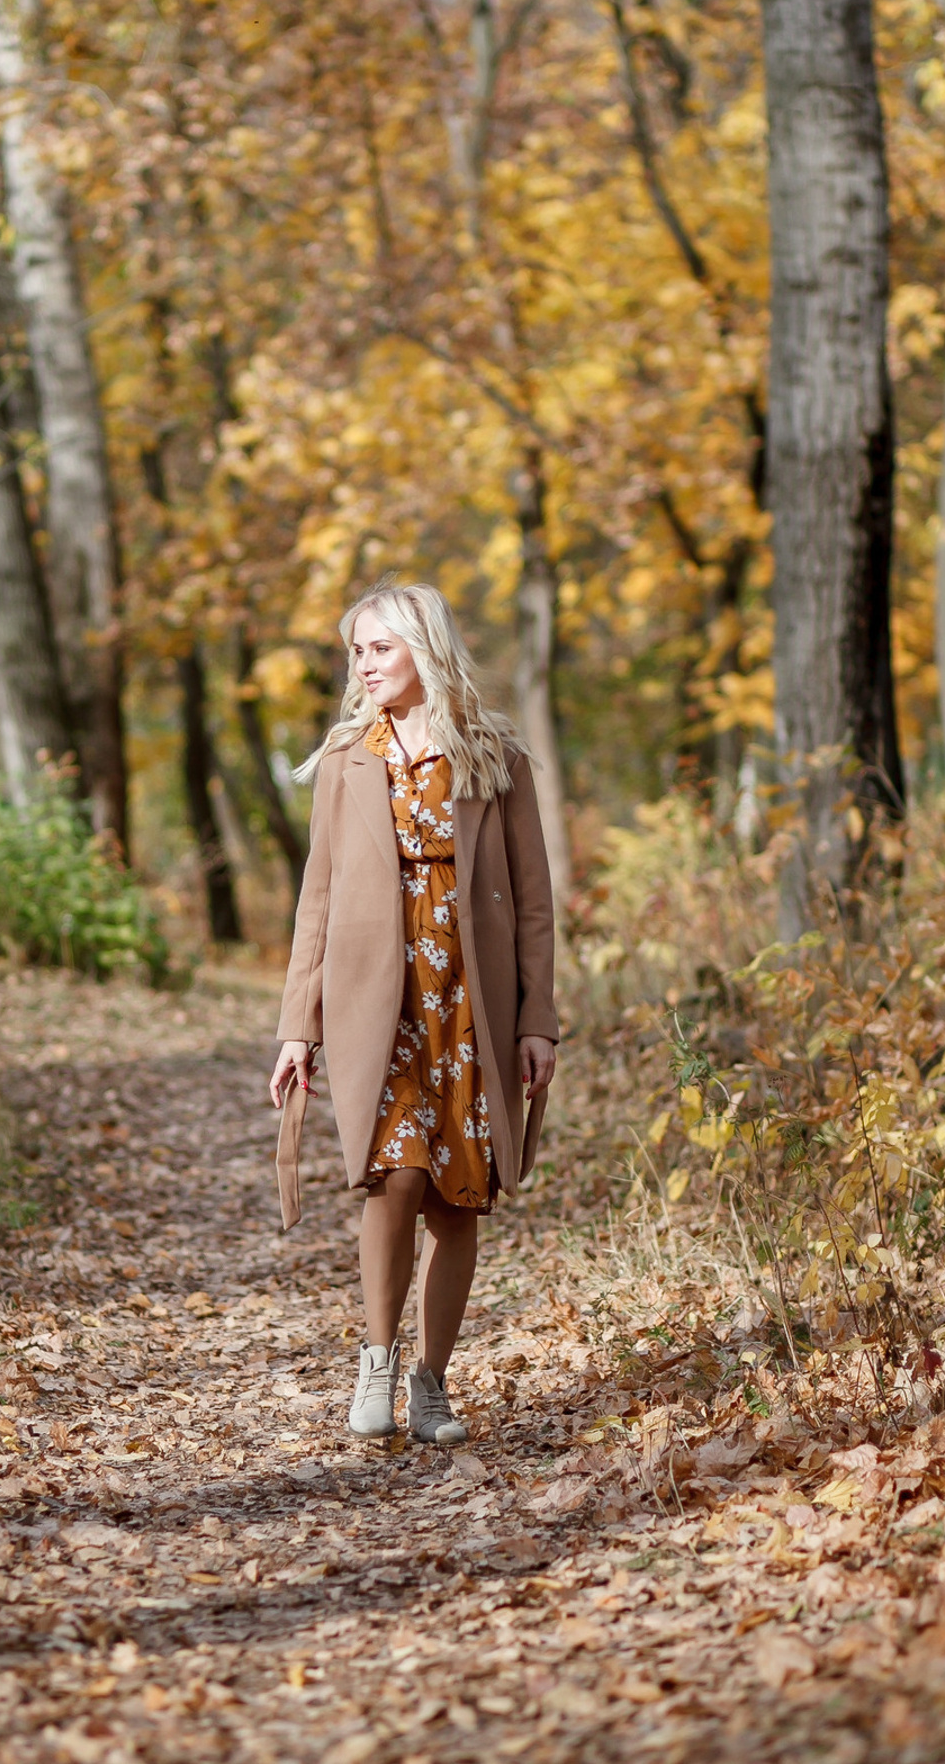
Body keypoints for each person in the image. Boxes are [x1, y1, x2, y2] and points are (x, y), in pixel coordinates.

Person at [268, 581, 558, 1445]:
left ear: (425, 648)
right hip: (376, 1003)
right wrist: (298, 1024)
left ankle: (432, 1380)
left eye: (379, 647)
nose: (363, 665)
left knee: (459, 1196)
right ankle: (378, 1360)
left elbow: (535, 902)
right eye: (356, 651)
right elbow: (314, 902)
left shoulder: (494, 758)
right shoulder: (349, 760)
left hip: (472, 1002)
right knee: (393, 1175)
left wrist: (537, 1017)